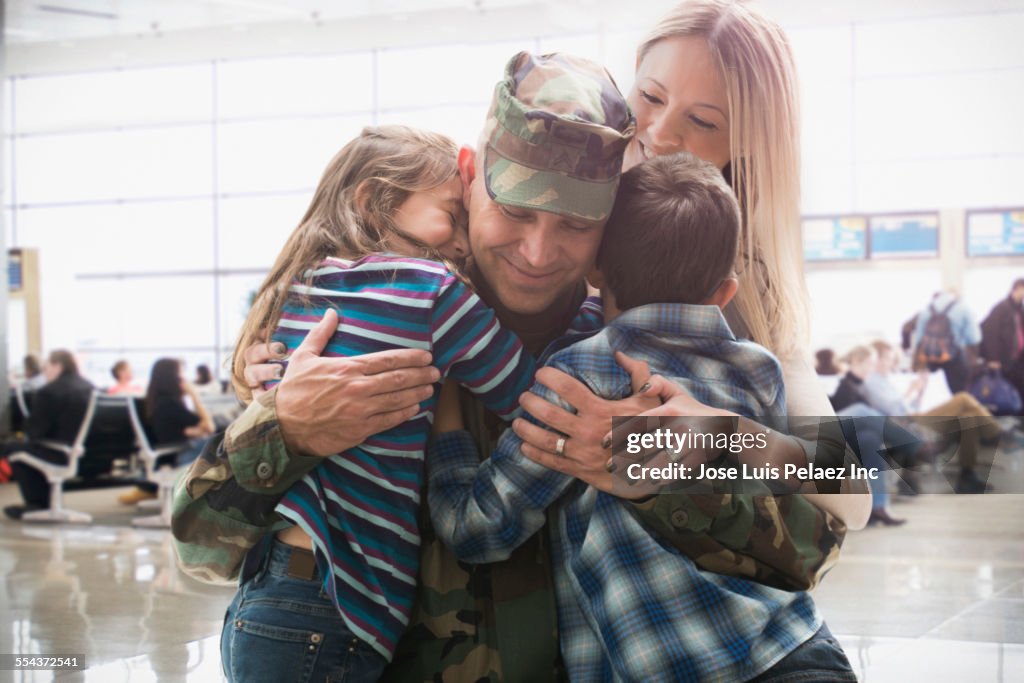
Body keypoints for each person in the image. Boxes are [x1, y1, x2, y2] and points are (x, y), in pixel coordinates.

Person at [175, 11, 868, 677]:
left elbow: (820, 537)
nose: (538, 251)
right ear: (471, 175)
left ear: (611, 230)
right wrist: (287, 429)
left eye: (575, 223)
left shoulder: (646, 346)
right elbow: (198, 545)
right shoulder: (377, 315)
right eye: (514, 210)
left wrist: (688, 451)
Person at [429, 152, 851, 681]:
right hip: (798, 648)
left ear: (596, 267)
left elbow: (478, 528)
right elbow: (843, 485)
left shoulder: (576, 375)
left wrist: (448, 432)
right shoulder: (758, 367)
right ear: (725, 293)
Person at [219, 124, 537, 681]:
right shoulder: (430, 288)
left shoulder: (292, 290)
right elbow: (527, 394)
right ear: (373, 202)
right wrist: (601, 315)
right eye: (451, 215)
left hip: (266, 590)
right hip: (334, 608)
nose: (462, 242)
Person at [862, 339, 1002, 494]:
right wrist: (911, 390)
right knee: (962, 398)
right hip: (905, 423)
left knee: (968, 418)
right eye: (888, 359)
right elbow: (892, 409)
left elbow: (907, 406)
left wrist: (919, 392)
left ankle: (967, 477)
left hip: (913, 417)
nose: (891, 363)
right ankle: (997, 434)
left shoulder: (886, 381)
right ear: (877, 360)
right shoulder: (871, 382)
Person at [3, 350, 94, 520]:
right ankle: (43, 502)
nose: (45, 373)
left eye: (47, 368)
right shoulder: (89, 387)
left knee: (13, 448)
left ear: (57, 366)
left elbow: (34, 431)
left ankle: (38, 503)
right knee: (28, 448)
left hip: (60, 454)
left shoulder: (50, 391)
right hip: (89, 454)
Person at [118, 358, 215, 505]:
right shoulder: (169, 405)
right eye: (181, 377)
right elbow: (209, 426)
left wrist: (195, 431)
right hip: (175, 457)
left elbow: (180, 432)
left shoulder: (156, 403)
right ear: (172, 379)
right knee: (221, 441)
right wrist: (194, 395)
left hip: (167, 455)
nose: (185, 381)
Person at [912, 290, 982, 394]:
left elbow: (918, 339)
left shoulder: (925, 310)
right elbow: (974, 338)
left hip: (930, 359)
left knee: (933, 396)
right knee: (959, 396)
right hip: (954, 360)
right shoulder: (963, 309)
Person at [980, 278, 1024, 399]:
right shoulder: (1002, 308)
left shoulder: (1019, 309)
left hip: (1018, 361)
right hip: (1004, 361)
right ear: (1016, 289)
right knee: (1005, 392)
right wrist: (993, 359)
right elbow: (990, 334)